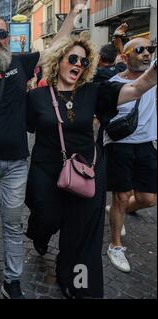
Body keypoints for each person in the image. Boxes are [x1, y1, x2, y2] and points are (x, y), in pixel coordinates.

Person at [0, 1, 85, 299]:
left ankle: (12, 280)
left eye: (2, 33)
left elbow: (55, 46)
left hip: (17, 162)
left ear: (8, 37)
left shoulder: (20, 63)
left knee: (12, 221)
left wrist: (73, 14)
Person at [25, 35, 156, 298]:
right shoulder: (37, 96)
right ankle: (39, 235)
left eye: (84, 62)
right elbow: (27, 127)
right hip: (46, 171)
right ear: (58, 61)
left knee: (83, 234)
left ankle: (78, 283)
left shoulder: (94, 92)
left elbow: (139, 87)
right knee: (47, 218)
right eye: (72, 59)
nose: (78, 64)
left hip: (86, 172)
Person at [104, 38, 157, 273]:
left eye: (150, 50)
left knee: (148, 199)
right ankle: (115, 245)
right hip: (120, 145)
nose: (146, 54)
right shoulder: (113, 83)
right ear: (125, 57)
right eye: (140, 50)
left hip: (147, 145)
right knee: (122, 196)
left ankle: (120, 212)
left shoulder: (153, 80)